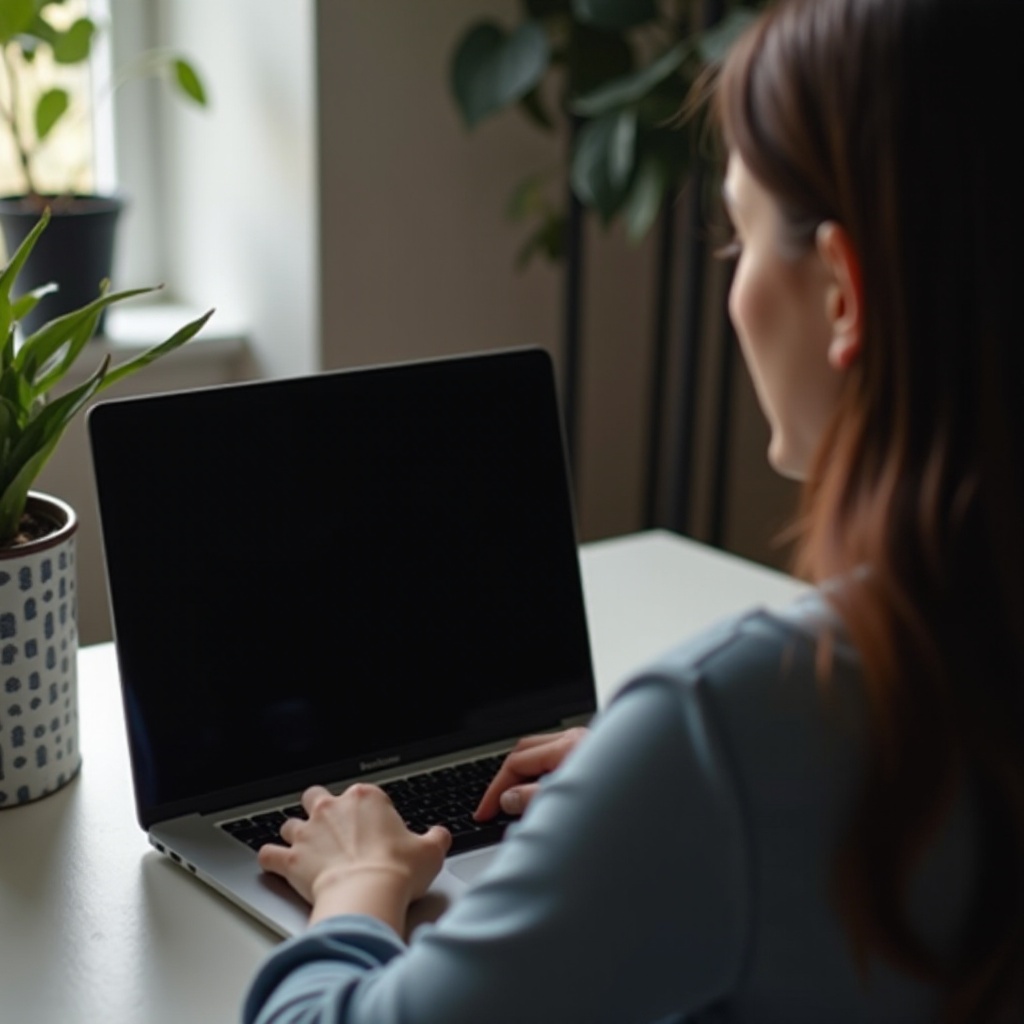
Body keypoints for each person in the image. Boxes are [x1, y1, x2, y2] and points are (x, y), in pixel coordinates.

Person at [243, 0, 1023, 1020]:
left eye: (738, 232)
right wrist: (643, 787)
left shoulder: (735, 731)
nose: (732, 283)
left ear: (840, 293)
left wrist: (356, 889)